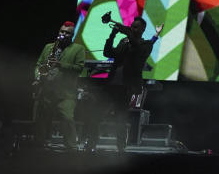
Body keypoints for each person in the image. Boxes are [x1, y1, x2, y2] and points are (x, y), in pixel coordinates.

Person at [99, 16, 161, 152]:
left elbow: (137, 50)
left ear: (143, 29)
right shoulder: (125, 41)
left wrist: (128, 33)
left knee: (120, 118)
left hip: (125, 86)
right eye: (131, 26)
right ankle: (89, 143)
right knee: (98, 113)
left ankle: (120, 148)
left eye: (136, 27)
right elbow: (108, 52)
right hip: (112, 83)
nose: (132, 28)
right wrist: (112, 35)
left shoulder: (146, 45)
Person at [32, 21, 86, 150]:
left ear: (72, 35)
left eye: (67, 33)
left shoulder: (78, 49)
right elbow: (39, 64)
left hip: (66, 92)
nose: (64, 34)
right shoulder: (49, 47)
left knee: (67, 118)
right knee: (42, 118)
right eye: (62, 32)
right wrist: (37, 76)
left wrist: (60, 64)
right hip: (47, 89)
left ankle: (71, 145)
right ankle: (41, 143)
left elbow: (79, 68)